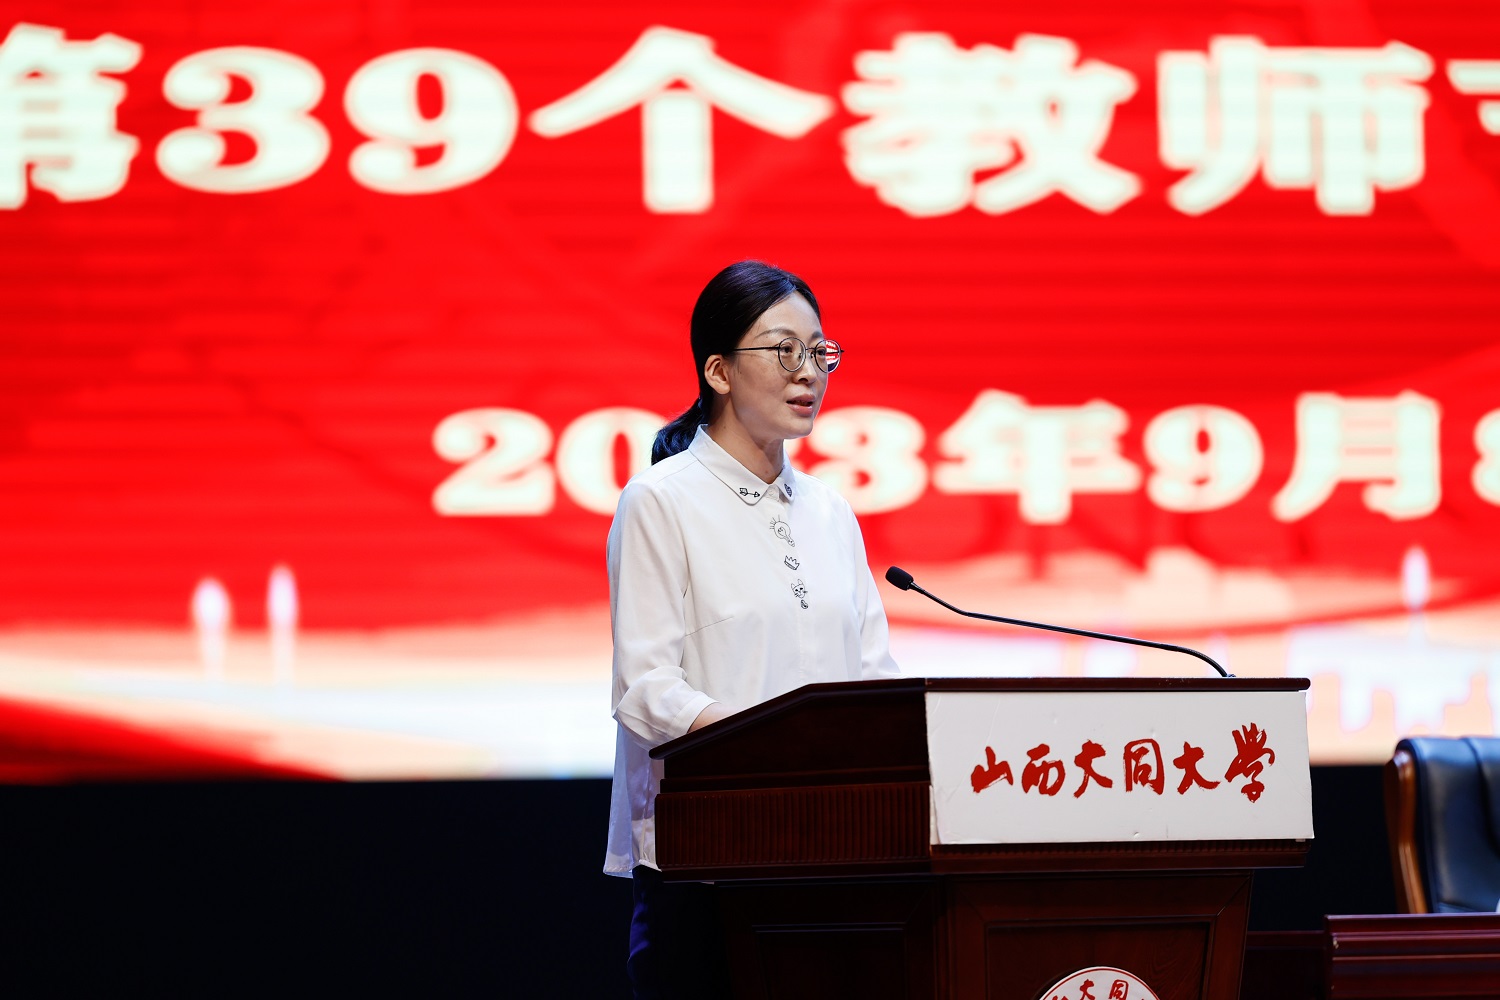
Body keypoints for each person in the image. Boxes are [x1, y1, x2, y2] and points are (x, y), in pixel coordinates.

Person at [604, 260, 901, 998]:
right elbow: (646, 689)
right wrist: (773, 747)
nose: (809, 372)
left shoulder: (831, 511)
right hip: (705, 864)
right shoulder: (660, 501)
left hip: (833, 852)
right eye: (783, 350)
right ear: (719, 371)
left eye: (819, 351)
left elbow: (874, 677)